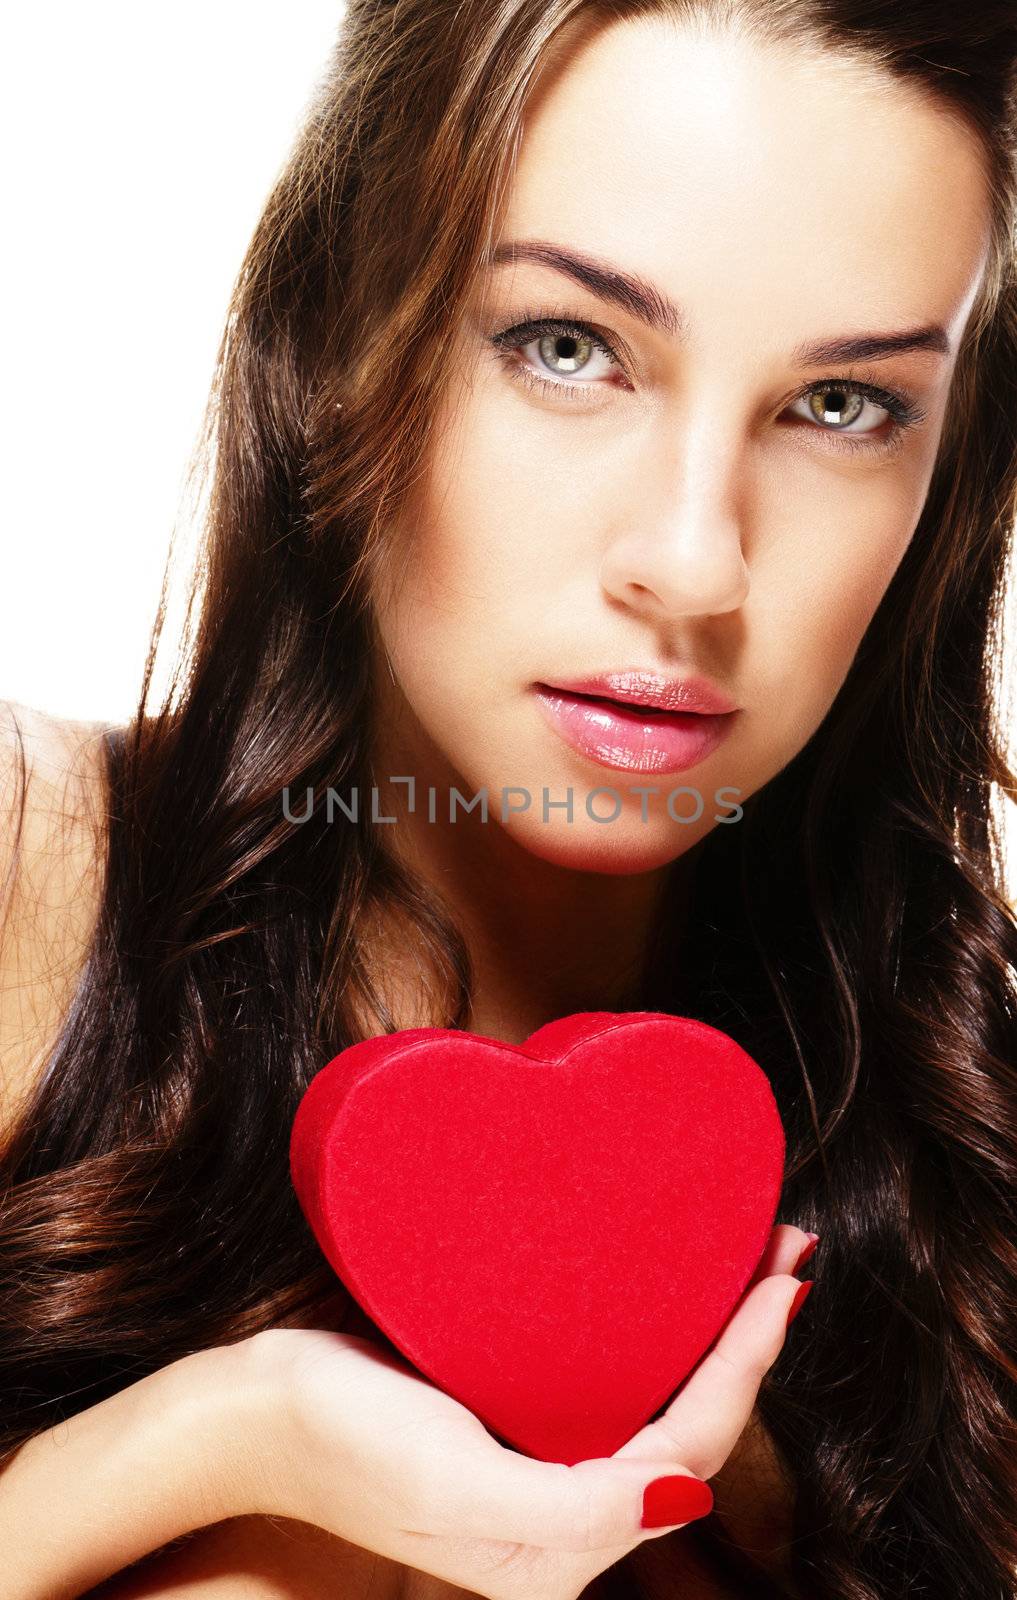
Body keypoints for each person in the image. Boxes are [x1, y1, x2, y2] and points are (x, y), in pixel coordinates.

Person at [1, 0, 1016, 1596]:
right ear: (341, 335)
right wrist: (209, 1447)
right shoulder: (28, 879)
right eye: (566, 347)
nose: (692, 562)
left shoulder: (967, 1156)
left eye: (842, 406)